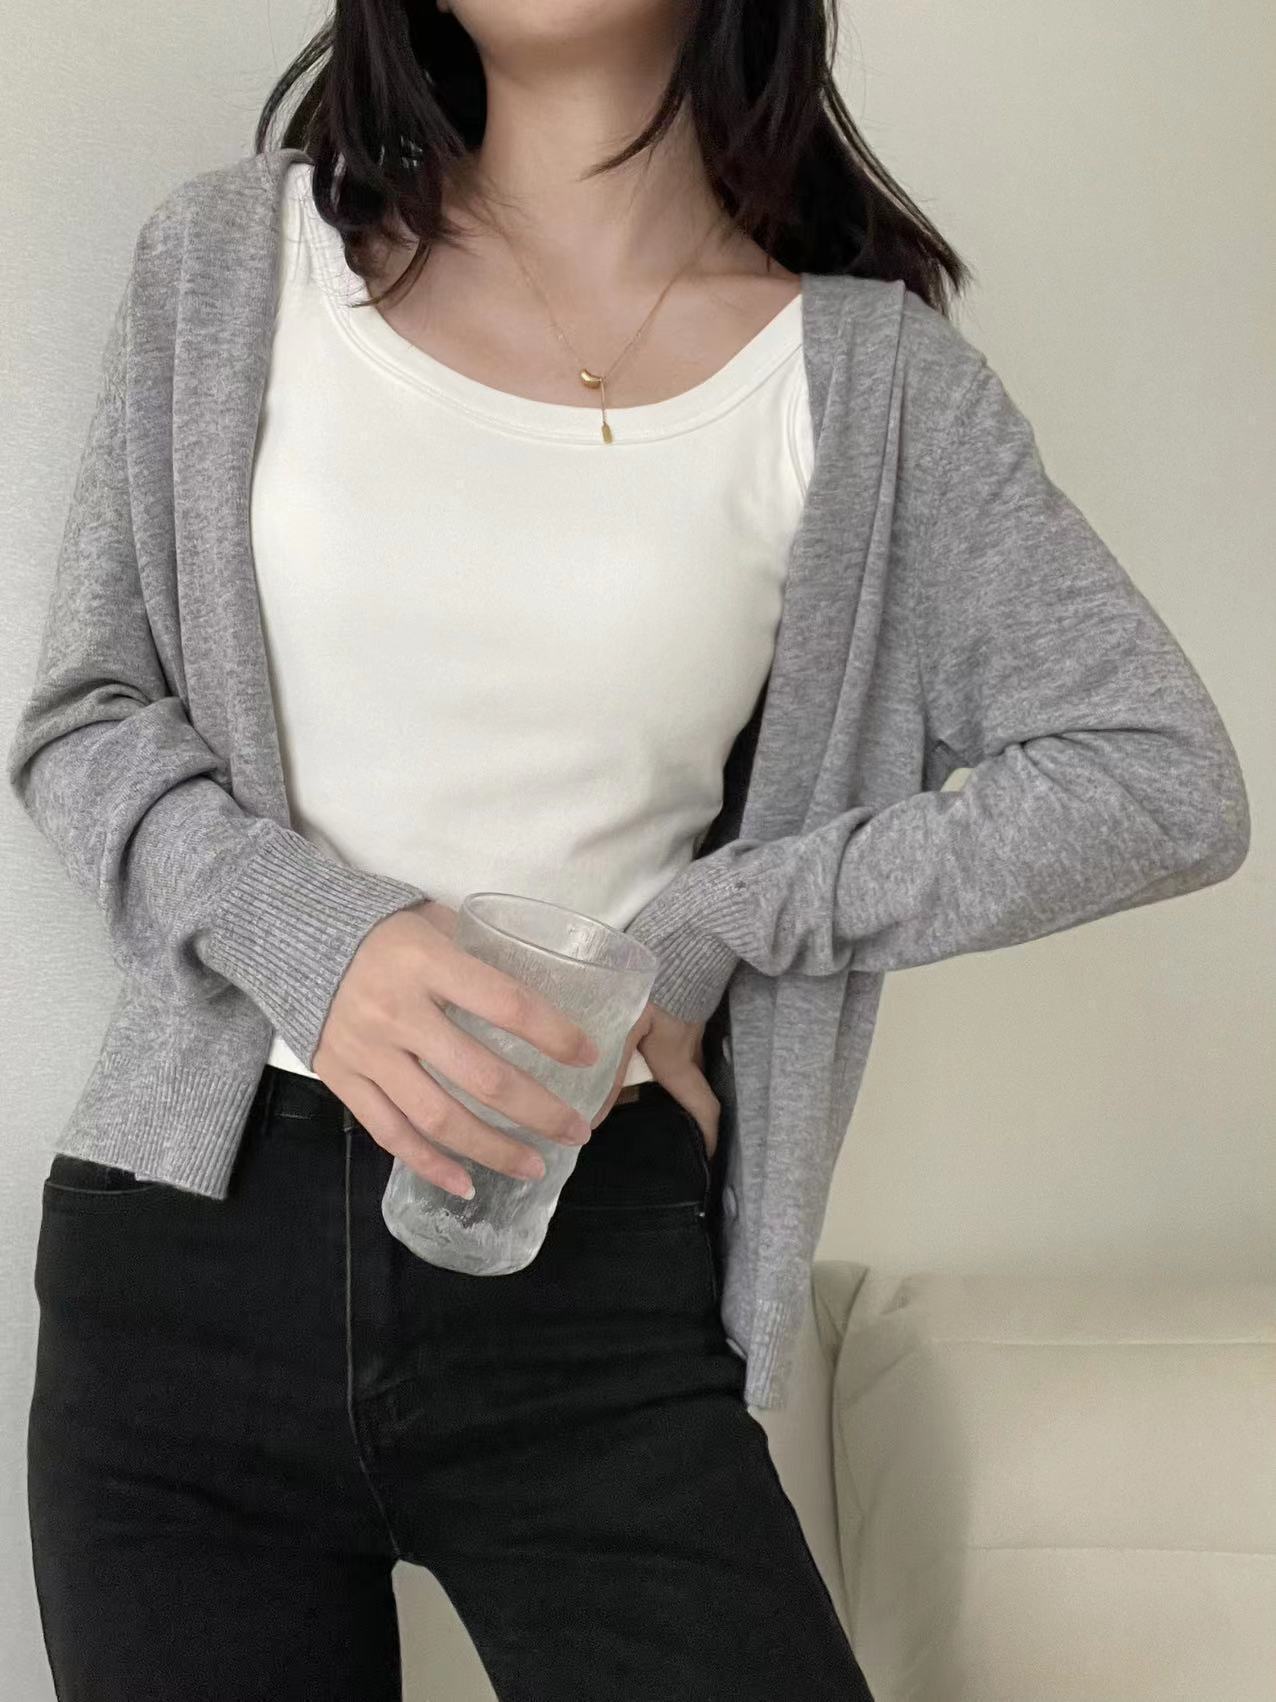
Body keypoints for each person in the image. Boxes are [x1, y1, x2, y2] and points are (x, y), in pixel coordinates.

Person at [11, 2, 1249, 1699]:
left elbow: (1162, 777)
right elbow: (82, 719)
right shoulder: (231, 265)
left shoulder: (867, 388)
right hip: (188, 1258)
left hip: (583, 1258)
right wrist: (325, 941)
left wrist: (720, 920)